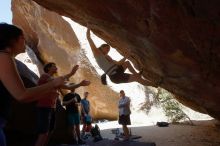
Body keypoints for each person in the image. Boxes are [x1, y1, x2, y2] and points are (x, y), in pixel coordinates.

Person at [0, 23, 65, 146]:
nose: (25, 41)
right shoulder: (3, 56)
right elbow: (21, 95)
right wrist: (53, 84)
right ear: (14, 39)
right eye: (23, 38)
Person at [35, 63, 90, 146]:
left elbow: (68, 86)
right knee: (43, 133)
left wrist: (80, 84)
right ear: (49, 68)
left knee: (50, 131)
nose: (56, 67)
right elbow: (58, 81)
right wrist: (71, 74)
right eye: (54, 66)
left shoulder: (54, 80)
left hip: (51, 108)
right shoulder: (45, 76)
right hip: (44, 107)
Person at [86, 26, 158, 87]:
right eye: (107, 48)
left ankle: (137, 75)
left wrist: (126, 56)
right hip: (115, 76)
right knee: (138, 79)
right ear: (101, 47)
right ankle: (154, 84)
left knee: (127, 63)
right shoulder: (96, 53)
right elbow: (89, 38)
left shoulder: (107, 57)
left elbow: (118, 63)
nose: (108, 50)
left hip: (117, 70)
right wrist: (88, 26)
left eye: (109, 49)